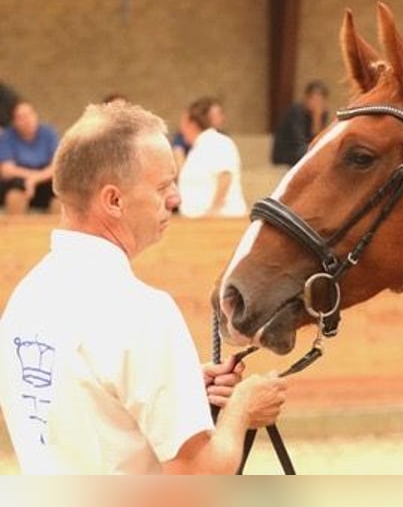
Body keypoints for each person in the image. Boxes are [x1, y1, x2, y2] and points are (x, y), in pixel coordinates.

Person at [0, 101, 287, 474]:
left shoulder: (26, 298)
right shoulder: (143, 311)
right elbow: (199, 477)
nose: (174, 199)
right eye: (163, 186)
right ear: (114, 200)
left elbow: (86, 400)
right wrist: (243, 409)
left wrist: (179, 383)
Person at [177, 98, 246, 218]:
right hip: (196, 221)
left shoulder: (219, 142)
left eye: (183, 124)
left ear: (192, 124)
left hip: (221, 220)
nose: (181, 130)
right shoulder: (197, 149)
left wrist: (213, 210)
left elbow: (225, 175)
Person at [0, 101, 60, 214]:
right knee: (15, 194)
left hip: (44, 178)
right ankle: (15, 228)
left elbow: (55, 167)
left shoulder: (49, 133)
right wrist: (30, 178)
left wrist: (34, 179)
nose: (27, 120)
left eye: (29, 114)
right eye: (21, 117)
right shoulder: (7, 137)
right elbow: (7, 170)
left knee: (61, 194)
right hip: (18, 181)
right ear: (14, 122)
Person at [271, 80, 330, 166]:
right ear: (306, 98)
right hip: (286, 155)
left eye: (321, 100)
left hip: (304, 151)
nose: (317, 103)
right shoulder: (296, 112)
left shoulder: (321, 114)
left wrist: (316, 119)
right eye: (314, 98)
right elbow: (299, 142)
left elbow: (319, 141)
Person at [171, 96, 225, 173]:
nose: (222, 118)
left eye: (220, 114)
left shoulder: (223, 140)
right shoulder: (180, 137)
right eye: (215, 115)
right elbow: (180, 166)